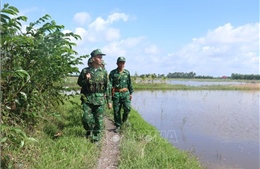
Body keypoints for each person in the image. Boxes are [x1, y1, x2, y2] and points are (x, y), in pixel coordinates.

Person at [77, 49, 112, 142]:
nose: (101, 58)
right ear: (93, 58)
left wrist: (109, 101)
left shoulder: (104, 72)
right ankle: (89, 131)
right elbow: (79, 83)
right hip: (88, 99)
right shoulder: (85, 71)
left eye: (101, 57)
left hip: (100, 99)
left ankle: (96, 138)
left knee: (99, 121)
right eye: (99, 56)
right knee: (86, 119)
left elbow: (108, 87)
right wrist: (86, 79)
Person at [109, 56, 133, 132]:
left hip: (125, 93)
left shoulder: (127, 72)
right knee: (116, 111)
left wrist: (131, 93)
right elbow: (109, 85)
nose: (122, 64)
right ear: (117, 63)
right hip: (116, 93)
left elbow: (130, 83)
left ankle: (124, 121)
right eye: (120, 62)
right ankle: (118, 125)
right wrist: (109, 96)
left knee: (127, 108)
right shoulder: (113, 73)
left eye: (123, 62)